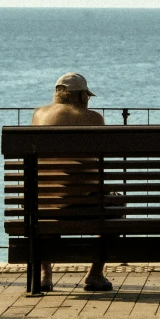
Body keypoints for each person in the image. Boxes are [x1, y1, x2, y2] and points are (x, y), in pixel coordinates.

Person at [31, 72, 112, 292]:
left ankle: (45, 275)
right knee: (116, 207)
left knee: (45, 200)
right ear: (81, 96)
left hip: (41, 203)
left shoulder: (39, 115)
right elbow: (98, 159)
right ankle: (95, 275)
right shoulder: (93, 118)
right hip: (80, 204)